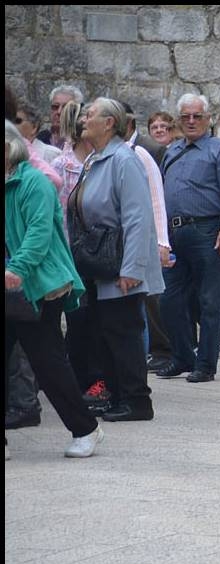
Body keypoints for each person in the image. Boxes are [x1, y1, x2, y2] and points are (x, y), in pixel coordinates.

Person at [5, 120, 103, 459]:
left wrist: (16, 268)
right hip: (9, 287)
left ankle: (86, 429)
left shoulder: (35, 183)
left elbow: (38, 234)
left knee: (47, 364)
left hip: (40, 286)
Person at [70, 97, 164, 421]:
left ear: (109, 122)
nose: (83, 118)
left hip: (120, 265)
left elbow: (139, 217)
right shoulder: (97, 159)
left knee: (123, 334)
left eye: (90, 114)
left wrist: (133, 269)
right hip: (100, 265)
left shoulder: (124, 159)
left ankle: (137, 401)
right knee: (105, 335)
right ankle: (116, 396)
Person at [156, 94, 220, 383]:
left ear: (208, 119)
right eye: (186, 117)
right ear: (179, 120)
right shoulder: (171, 151)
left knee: (208, 301)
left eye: (197, 116)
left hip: (208, 231)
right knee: (168, 299)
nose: (191, 121)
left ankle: (205, 364)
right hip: (174, 233)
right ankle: (182, 358)